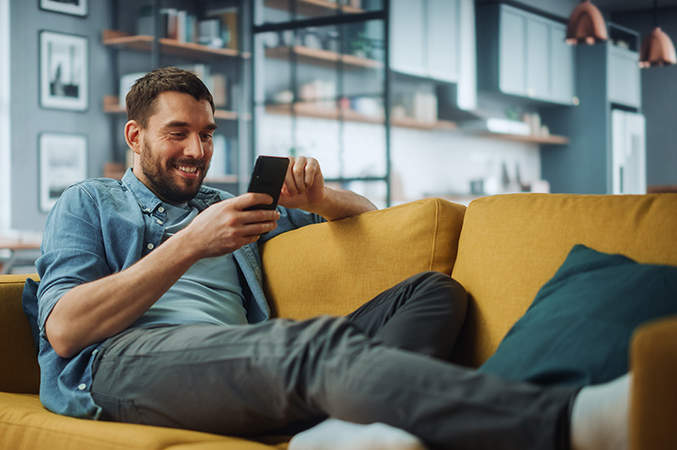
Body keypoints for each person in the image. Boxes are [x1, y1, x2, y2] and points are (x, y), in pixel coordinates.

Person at [33, 67, 630, 450]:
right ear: (135, 137)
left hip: (234, 356)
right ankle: (565, 421)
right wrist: (192, 241)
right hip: (123, 366)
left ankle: (354, 430)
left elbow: (370, 217)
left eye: (208, 134)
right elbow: (64, 329)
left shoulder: (229, 205)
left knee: (432, 290)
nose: (197, 150)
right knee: (308, 345)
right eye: (178, 132)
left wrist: (320, 198)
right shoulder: (91, 202)